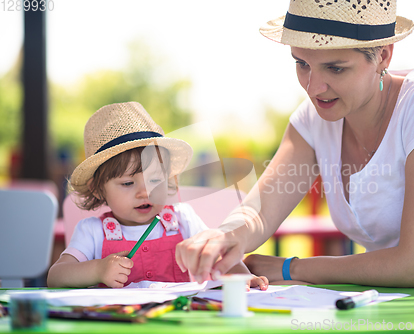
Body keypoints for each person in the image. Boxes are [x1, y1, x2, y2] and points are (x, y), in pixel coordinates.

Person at [175, 0, 414, 288]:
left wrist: (290, 267)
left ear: (383, 55)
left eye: (335, 68)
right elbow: (258, 213)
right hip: (388, 300)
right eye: (301, 63)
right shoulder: (312, 120)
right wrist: (225, 237)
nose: (314, 87)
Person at [47, 102, 268, 289]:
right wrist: (97, 269)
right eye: (127, 183)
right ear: (97, 188)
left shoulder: (182, 220)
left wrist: (243, 277)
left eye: (155, 180)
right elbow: (56, 277)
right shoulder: (92, 232)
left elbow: (220, 256)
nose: (145, 192)